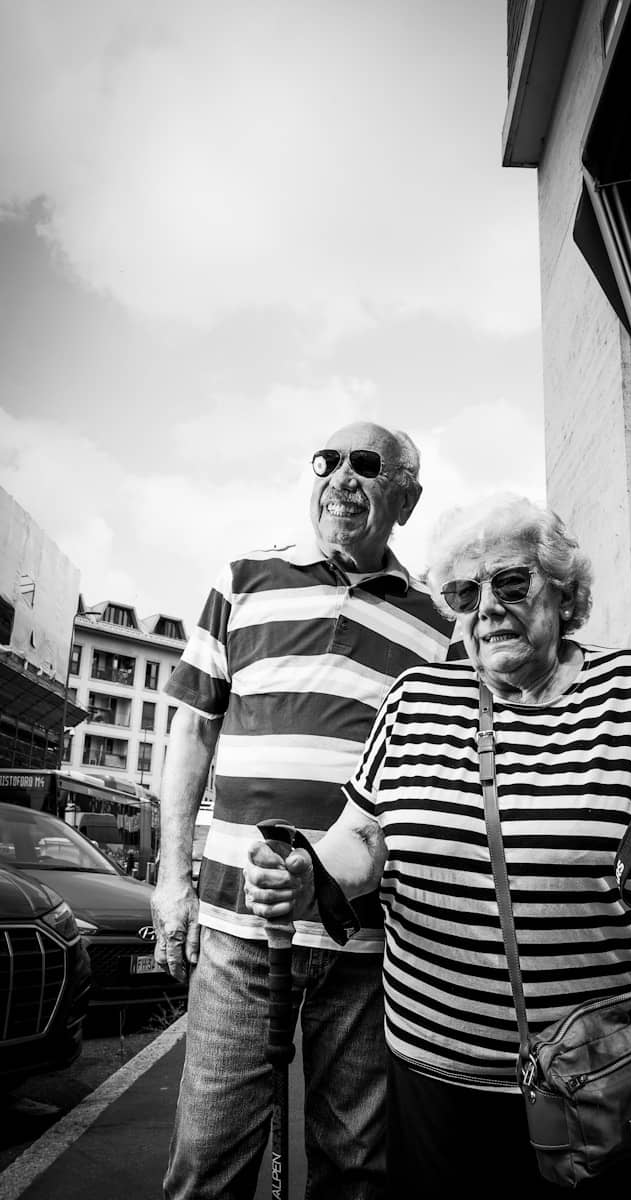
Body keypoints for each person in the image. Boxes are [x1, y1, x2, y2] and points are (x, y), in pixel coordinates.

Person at [244, 494, 631, 1200]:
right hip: (437, 1072)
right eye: (464, 593)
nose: (488, 607)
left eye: (510, 582)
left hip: (600, 1070)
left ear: (563, 592)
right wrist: (305, 869)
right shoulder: (416, 698)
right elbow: (364, 837)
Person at [151, 421, 458, 1200]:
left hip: (365, 945)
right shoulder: (244, 578)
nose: (341, 479)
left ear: (406, 499)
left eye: (366, 465)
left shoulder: (437, 626)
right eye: (328, 462)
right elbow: (192, 730)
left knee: (356, 1168)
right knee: (207, 1161)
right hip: (238, 928)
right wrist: (171, 879)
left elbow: (433, 781)